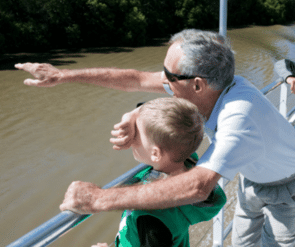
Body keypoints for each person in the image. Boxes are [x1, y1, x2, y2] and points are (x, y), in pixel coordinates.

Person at [15, 29, 295, 246]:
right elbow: (136, 79)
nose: (162, 80)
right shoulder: (214, 85)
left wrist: (98, 199)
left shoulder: (238, 116)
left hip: (288, 188)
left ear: (197, 84)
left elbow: (198, 186)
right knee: (242, 241)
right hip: (252, 177)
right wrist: (63, 75)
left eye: (169, 76)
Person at [91, 97, 226, 247]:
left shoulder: (152, 217)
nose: (132, 135)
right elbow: (167, 114)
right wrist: (131, 116)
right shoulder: (187, 161)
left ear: (155, 153)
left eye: (136, 133)